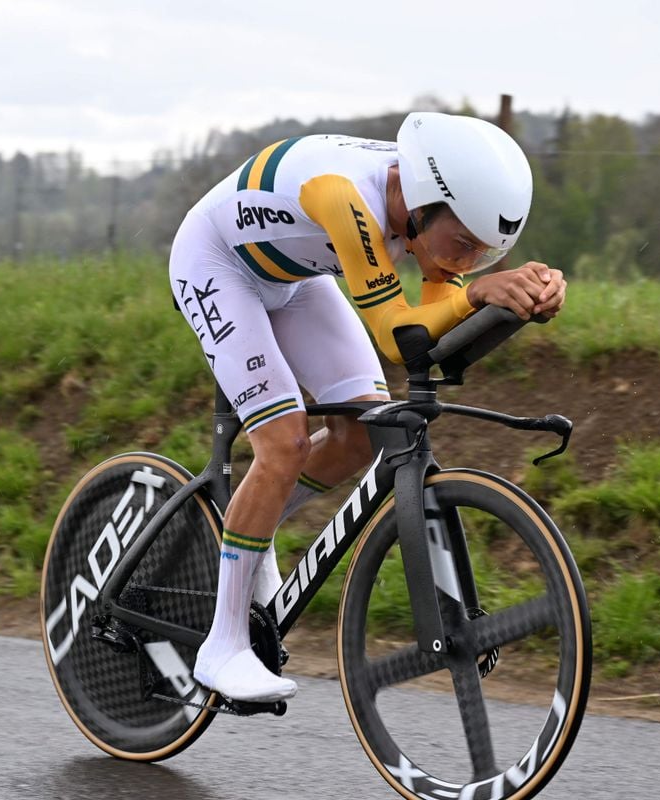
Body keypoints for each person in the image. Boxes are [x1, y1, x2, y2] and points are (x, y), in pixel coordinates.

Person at [169, 111, 567, 703]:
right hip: (218, 264)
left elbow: (440, 306)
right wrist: (479, 294)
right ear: (426, 205)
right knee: (282, 446)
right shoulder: (344, 194)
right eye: (463, 245)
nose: (464, 264)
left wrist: (520, 296)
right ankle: (222, 644)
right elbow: (397, 335)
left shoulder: (427, 202)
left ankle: (248, 531)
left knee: (362, 435)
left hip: (296, 277)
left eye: (484, 255)